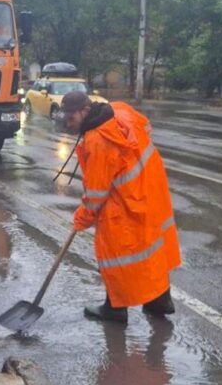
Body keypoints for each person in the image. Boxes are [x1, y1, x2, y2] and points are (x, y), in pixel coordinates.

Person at [60, 91, 181, 322]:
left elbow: (96, 195)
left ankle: (114, 308)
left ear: (85, 111)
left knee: (115, 255)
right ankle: (160, 301)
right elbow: (144, 128)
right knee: (153, 248)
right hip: (149, 190)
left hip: (126, 202)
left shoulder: (97, 140)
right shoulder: (117, 110)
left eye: (71, 117)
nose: (67, 122)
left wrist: (81, 218)